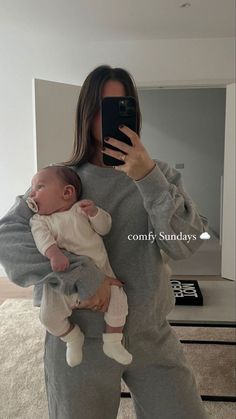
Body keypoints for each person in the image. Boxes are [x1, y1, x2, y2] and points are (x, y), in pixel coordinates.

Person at [0, 65, 210, 419]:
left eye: (119, 105)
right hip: (81, 340)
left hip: (150, 335)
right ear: (85, 112)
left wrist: (148, 177)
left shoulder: (160, 175)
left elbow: (185, 243)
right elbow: (8, 238)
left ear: (133, 111)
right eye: (98, 106)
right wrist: (85, 277)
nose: (106, 117)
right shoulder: (59, 178)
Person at [26, 165, 132, 367]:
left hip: (102, 275)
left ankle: (112, 341)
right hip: (64, 281)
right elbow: (42, 239)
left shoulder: (81, 209)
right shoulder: (40, 220)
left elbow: (105, 228)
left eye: (39, 187)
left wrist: (95, 213)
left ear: (67, 192)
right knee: (48, 316)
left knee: (119, 299)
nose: (31, 193)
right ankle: (72, 337)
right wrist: (54, 253)